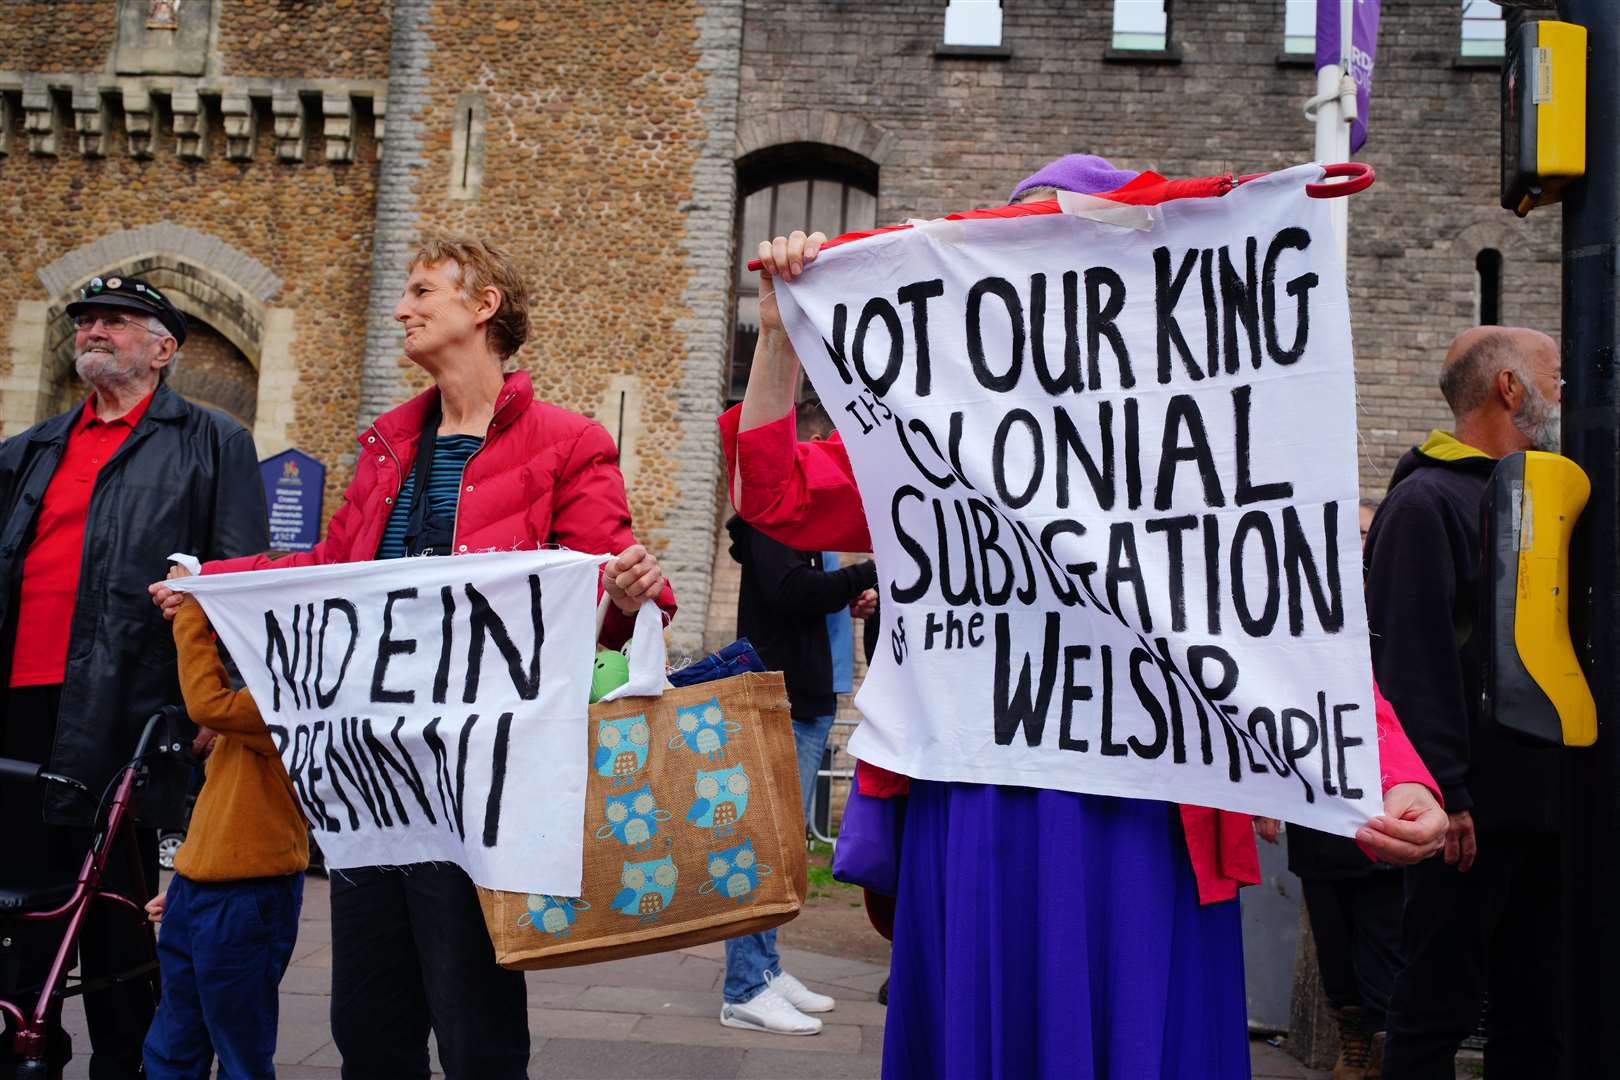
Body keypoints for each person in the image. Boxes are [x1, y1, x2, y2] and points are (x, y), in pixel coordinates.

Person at [722, 155, 1451, 1079]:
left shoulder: (1196, 448)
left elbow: (1280, 620)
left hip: (1151, 818)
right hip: (983, 802)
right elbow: (772, 495)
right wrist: (785, 335)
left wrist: (1388, 772)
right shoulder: (936, 445)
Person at [153, 234, 675, 1080]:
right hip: (374, 779)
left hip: (480, 786)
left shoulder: (567, 441)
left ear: (484, 306)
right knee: (368, 1020)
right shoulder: (389, 445)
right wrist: (211, 582)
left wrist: (626, 591)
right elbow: (329, 571)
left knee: (474, 1024)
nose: (402, 308)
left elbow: (605, 586)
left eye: (424, 290)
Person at [0, 275, 267, 1080]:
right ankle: (29, 1043)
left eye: (116, 322)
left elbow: (238, 574)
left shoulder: (212, 442)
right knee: (21, 893)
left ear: (162, 348)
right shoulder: (29, 449)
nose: (95, 331)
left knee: (114, 901)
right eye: (86, 321)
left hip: (134, 704)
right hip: (19, 700)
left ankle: (134, 1061)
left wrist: (216, 704)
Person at [1374, 327, 1564, 1079]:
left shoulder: (1544, 494)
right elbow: (1410, 658)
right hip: (1469, 815)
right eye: (1555, 373)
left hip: (1548, 804)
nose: (1568, 387)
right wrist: (1445, 791)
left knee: (1538, 1015)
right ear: (1510, 388)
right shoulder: (1425, 500)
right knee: (1435, 1011)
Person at [720, 398, 879, 1034]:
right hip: (776, 697)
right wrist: (865, 574)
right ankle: (742, 987)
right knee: (762, 845)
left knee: (781, 848)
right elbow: (790, 592)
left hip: (806, 695)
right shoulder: (770, 518)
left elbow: (809, 594)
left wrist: (851, 593)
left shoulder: (802, 525)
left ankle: (764, 969)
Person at [142, 564, 308, 1079]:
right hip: (206, 891)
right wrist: (189, 875)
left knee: (238, 1044)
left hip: (248, 896)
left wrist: (191, 611)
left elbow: (207, 702)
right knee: (175, 1036)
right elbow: (227, 807)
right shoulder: (248, 712)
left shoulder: (286, 701)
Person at [1258, 494, 1399, 1080]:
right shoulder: (1302, 613)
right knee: (1334, 932)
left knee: (1383, 932)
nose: (1359, 545)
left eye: (1368, 533)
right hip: (1318, 801)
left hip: (1386, 798)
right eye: (1351, 534)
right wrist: (1267, 795)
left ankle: (1385, 1044)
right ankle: (1354, 1042)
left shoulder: (1394, 605)